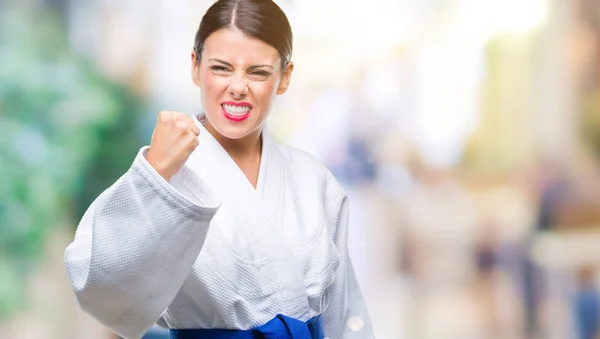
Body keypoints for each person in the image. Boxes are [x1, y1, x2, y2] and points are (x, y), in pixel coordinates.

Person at [63, 1, 374, 338]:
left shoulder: (314, 181)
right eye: (221, 68)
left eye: (258, 71)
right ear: (195, 67)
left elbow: (344, 314)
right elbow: (104, 291)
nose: (238, 87)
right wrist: (155, 172)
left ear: (284, 77)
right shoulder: (169, 174)